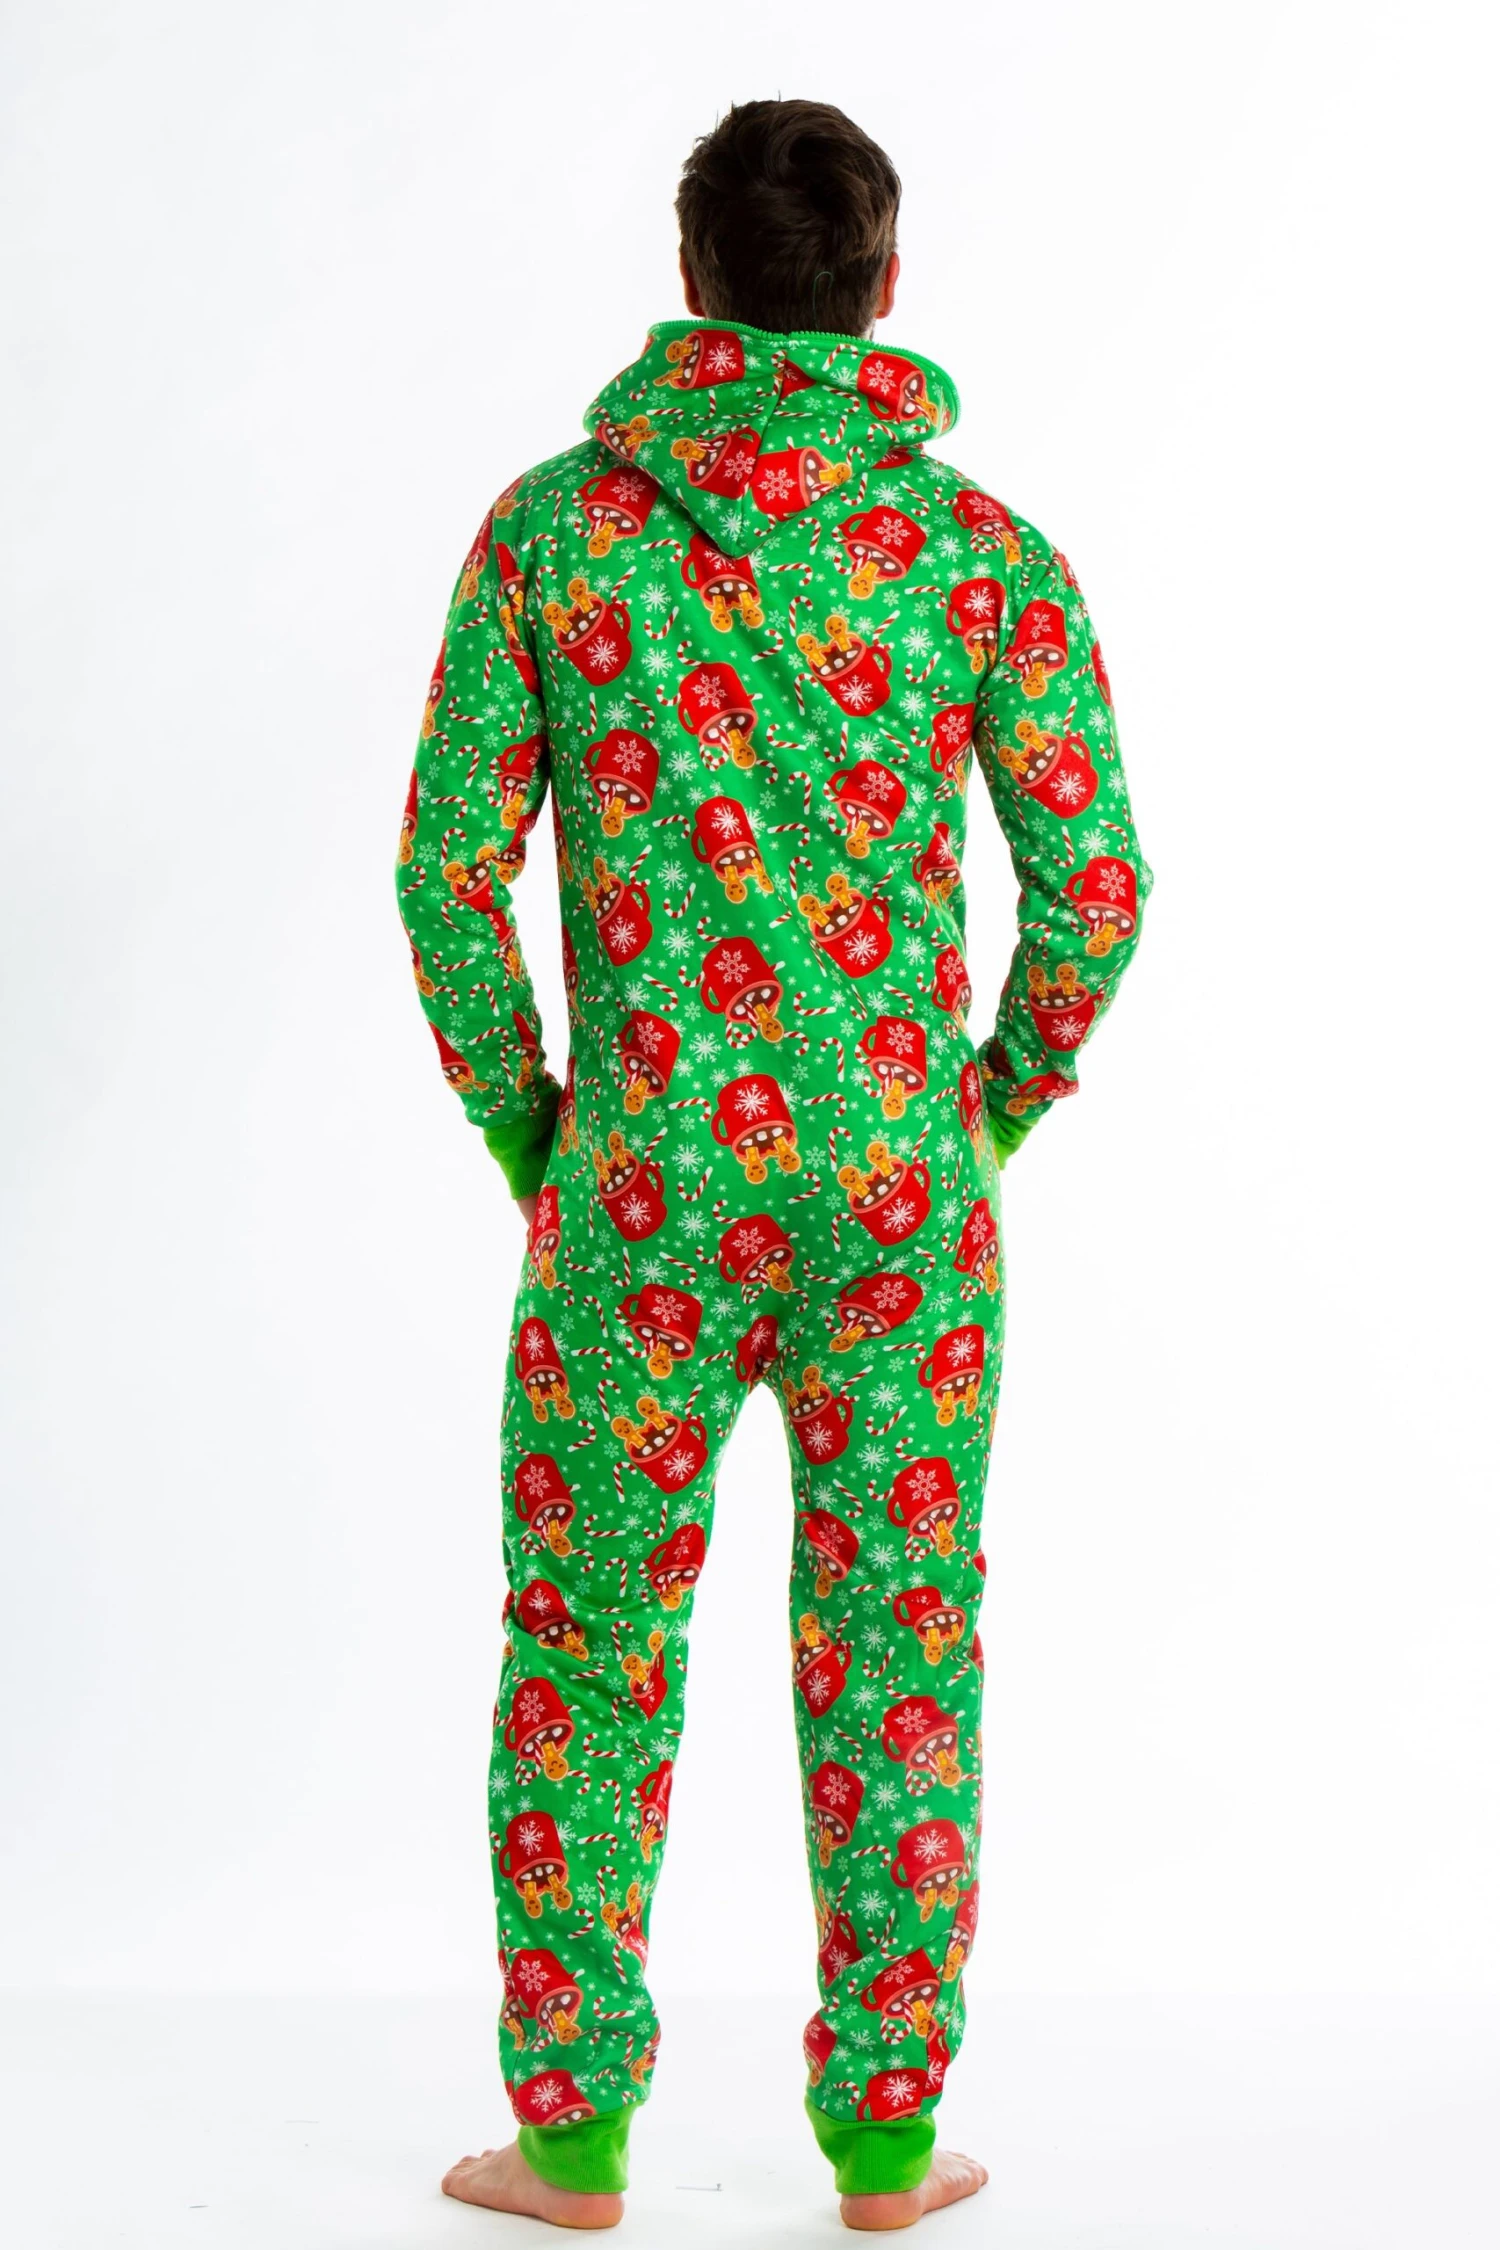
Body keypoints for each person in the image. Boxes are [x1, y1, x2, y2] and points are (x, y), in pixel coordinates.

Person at [395, 97, 1149, 2235]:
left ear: (691, 279)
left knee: (587, 1642)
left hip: (634, 1192)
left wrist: (534, 1124)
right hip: (902, 1203)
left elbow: (447, 874)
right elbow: (1096, 889)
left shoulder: (554, 535)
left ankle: (570, 2140)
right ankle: (888, 2147)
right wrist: (989, 1106)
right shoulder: (982, 556)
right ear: (885, 287)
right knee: (900, 1637)